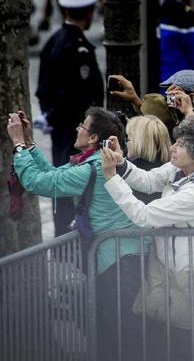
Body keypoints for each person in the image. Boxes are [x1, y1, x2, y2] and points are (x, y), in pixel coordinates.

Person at [7, 107, 147, 361]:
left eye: (82, 125)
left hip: (120, 260)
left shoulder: (91, 168)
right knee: (112, 332)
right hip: (116, 256)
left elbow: (42, 183)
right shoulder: (93, 162)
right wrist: (28, 143)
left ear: (93, 137)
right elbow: (53, 175)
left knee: (126, 335)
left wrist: (17, 144)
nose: (77, 128)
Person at [101, 117, 194, 360]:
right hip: (165, 266)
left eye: (180, 144)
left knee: (180, 344)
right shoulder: (182, 168)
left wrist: (111, 179)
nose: (172, 147)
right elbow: (149, 181)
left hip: (189, 271)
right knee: (160, 337)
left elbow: (144, 215)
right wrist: (121, 164)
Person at [35, 0, 104, 236]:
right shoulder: (78, 49)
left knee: (61, 183)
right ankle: (72, 238)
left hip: (62, 130)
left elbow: (43, 90)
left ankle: (62, 237)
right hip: (78, 132)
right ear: (87, 14)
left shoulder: (53, 41)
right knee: (77, 186)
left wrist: (50, 116)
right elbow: (80, 95)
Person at [124, 115, 172, 204]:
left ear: (140, 142)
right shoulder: (168, 166)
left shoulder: (140, 173)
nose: (126, 142)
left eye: (128, 138)